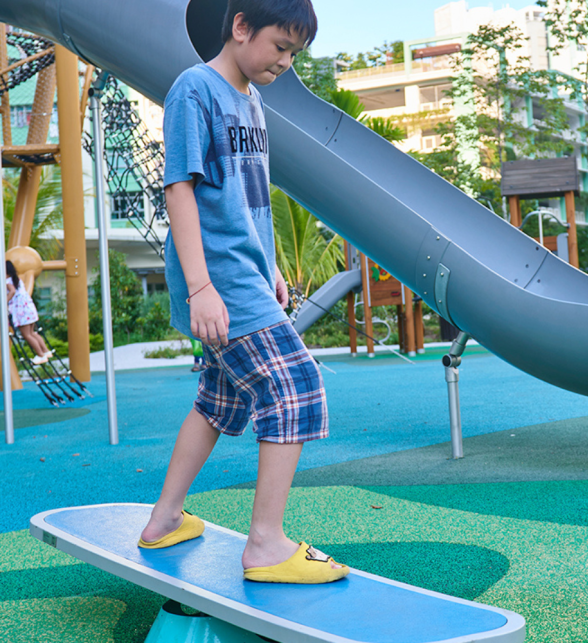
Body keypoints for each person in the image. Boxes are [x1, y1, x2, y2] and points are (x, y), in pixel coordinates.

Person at [139, 0, 348, 585]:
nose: (285, 61)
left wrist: (273, 264)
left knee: (220, 401)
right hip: (220, 279)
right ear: (240, 27)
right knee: (296, 388)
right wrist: (201, 287)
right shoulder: (194, 89)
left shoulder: (253, 101)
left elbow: (252, 196)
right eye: (280, 47)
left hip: (247, 273)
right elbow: (180, 189)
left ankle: (163, 520)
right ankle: (264, 544)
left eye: (294, 53)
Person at [5, 261, 52, 365]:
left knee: (27, 335)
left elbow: (12, 291)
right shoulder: (17, 280)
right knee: (32, 333)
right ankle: (45, 351)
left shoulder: (7, 281)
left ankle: (40, 355)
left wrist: (5, 301)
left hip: (22, 311)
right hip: (29, 308)